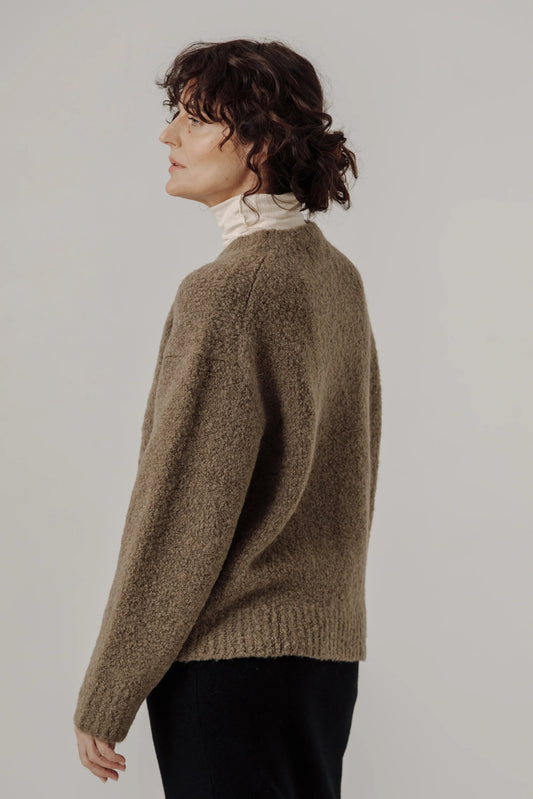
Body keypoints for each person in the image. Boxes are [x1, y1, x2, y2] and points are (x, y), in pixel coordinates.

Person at [73, 37, 382, 798]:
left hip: (229, 666)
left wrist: (110, 685)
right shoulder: (334, 276)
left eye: (193, 118)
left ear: (260, 142)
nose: (167, 135)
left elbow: (182, 505)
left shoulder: (227, 292)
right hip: (322, 663)